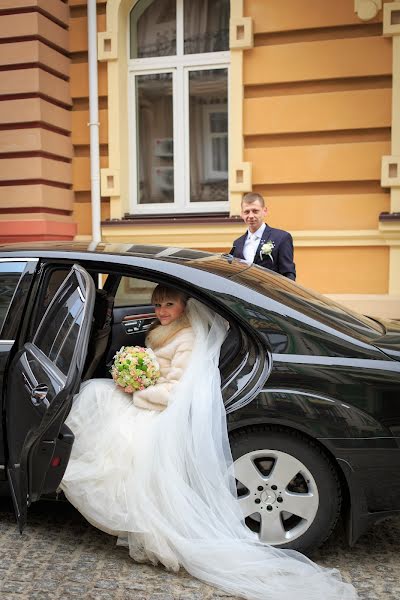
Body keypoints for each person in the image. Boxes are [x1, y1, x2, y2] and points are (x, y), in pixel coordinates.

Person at [60, 285, 357, 600]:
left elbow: (174, 391)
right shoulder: (161, 330)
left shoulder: (186, 339)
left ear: (184, 307)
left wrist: (137, 391)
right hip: (148, 397)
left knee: (99, 404)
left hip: (159, 409)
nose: (161, 311)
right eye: (157, 305)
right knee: (96, 391)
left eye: (168, 305)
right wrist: (131, 378)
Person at [231, 192, 296, 280]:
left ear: (264, 211)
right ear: (242, 214)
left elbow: (289, 274)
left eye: (255, 211)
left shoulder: (281, 238)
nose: (251, 216)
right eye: (246, 212)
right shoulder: (237, 243)